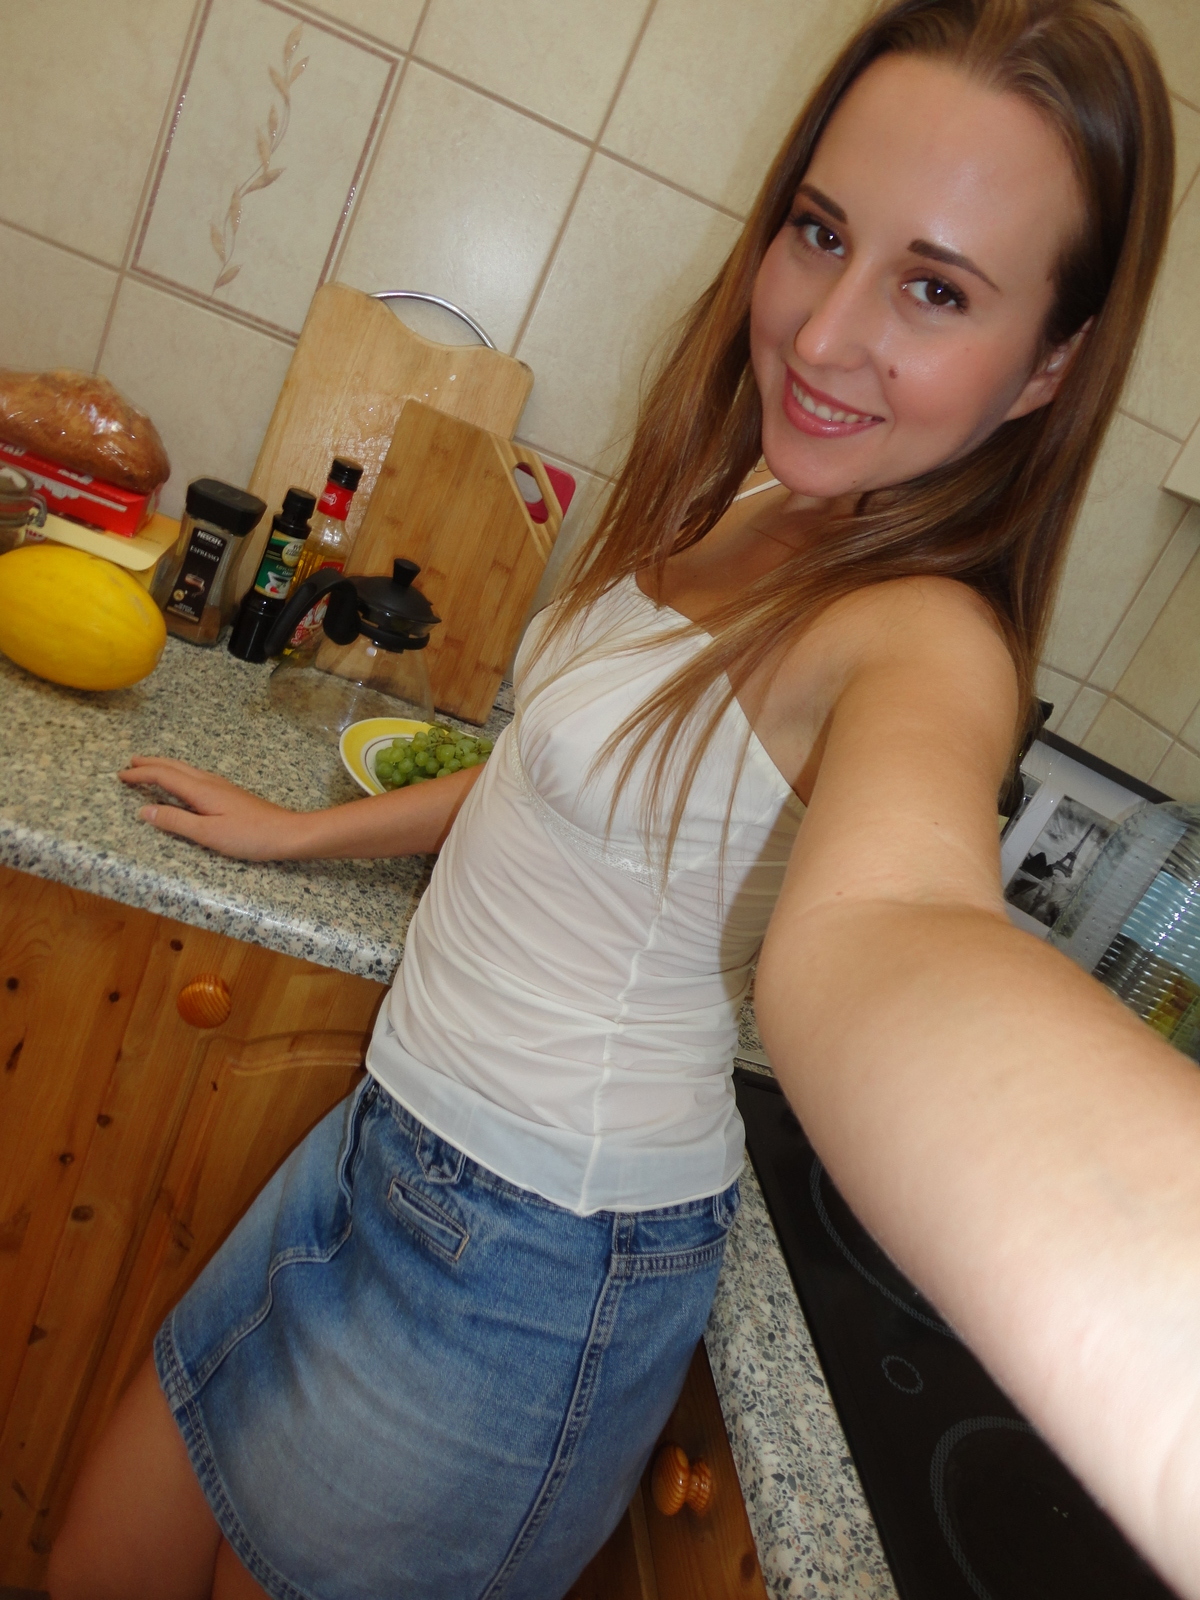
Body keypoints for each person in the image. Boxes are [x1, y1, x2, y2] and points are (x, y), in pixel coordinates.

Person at [50, 1, 1200, 1596]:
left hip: (529, 1273)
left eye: (936, 289)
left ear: (1048, 367)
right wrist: (299, 833)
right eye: (822, 232)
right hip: (388, 1152)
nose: (824, 334)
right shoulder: (759, 494)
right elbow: (550, 777)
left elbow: (897, 923)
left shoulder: (923, 637)